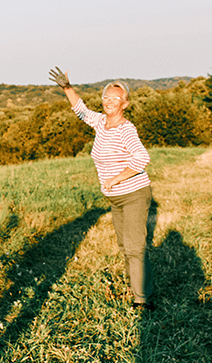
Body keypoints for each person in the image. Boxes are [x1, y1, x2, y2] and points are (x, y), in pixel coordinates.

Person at [49, 67, 154, 310]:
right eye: (106, 97)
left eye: (115, 98)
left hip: (134, 195)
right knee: (124, 246)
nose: (109, 102)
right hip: (115, 199)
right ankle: (136, 287)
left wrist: (117, 178)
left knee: (135, 247)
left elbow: (141, 158)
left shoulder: (126, 129)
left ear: (125, 104)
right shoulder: (100, 122)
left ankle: (143, 300)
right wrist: (67, 87)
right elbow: (81, 111)